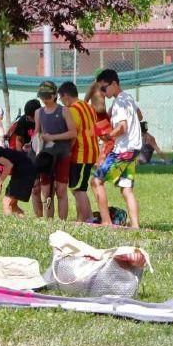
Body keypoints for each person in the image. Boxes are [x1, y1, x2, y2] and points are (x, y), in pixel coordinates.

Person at [91, 69, 142, 228]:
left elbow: (122, 127)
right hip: (134, 149)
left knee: (96, 181)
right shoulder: (127, 98)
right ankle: (135, 226)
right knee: (126, 189)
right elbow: (139, 116)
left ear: (114, 83)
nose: (103, 92)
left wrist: (108, 136)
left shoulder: (119, 102)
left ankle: (106, 221)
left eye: (104, 88)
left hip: (123, 150)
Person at [33, 81, 76, 220]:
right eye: (42, 97)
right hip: (46, 156)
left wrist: (53, 137)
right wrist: (35, 142)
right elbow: (36, 132)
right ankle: (48, 221)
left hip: (62, 154)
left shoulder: (64, 111)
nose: (45, 100)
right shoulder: (38, 112)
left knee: (61, 190)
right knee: (46, 191)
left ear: (54, 96)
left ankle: (62, 222)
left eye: (47, 97)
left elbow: (73, 133)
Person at [58, 81, 98, 223]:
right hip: (91, 152)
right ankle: (90, 218)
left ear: (66, 97)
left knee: (77, 189)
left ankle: (82, 219)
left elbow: (72, 134)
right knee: (80, 188)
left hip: (81, 154)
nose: (62, 103)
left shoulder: (73, 110)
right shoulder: (88, 106)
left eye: (61, 99)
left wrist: (66, 151)